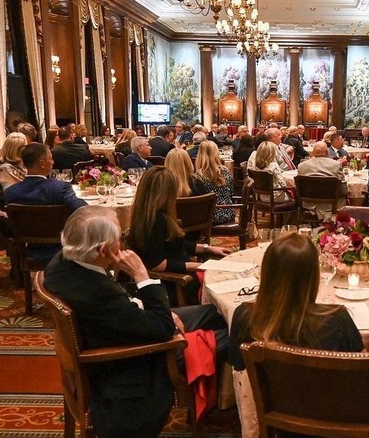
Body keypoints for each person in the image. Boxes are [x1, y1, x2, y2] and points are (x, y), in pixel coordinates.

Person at [44, 205, 228, 438]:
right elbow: (161, 330)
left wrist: (160, 311)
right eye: (120, 237)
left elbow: (123, 311)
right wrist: (142, 276)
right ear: (103, 250)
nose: (123, 242)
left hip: (128, 322)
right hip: (137, 358)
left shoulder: (62, 261)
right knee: (232, 334)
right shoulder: (95, 294)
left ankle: (224, 396)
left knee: (217, 312)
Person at [228, 232, 364, 371]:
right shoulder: (338, 319)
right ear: (313, 276)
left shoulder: (244, 316)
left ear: (267, 273)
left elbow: (239, 370)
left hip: (268, 393)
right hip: (326, 392)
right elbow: (360, 371)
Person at [126, 166, 230, 306]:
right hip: (177, 282)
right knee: (227, 284)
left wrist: (208, 248)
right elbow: (158, 264)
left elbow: (176, 244)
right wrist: (199, 266)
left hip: (183, 271)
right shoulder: (156, 221)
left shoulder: (149, 215)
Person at [4, 142, 87, 265]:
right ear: (42, 163)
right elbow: (83, 209)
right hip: (63, 247)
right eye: (51, 159)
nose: (53, 162)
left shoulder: (10, 192)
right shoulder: (60, 188)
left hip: (28, 248)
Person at [297, 141, 347, 219]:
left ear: (313, 152)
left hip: (309, 203)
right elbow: (343, 186)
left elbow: (299, 187)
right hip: (331, 204)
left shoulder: (301, 166)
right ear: (327, 152)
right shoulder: (336, 165)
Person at [194, 141, 235, 225]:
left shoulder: (199, 177)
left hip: (210, 216)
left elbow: (200, 203)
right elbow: (231, 193)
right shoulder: (225, 170)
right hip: (229, 212)